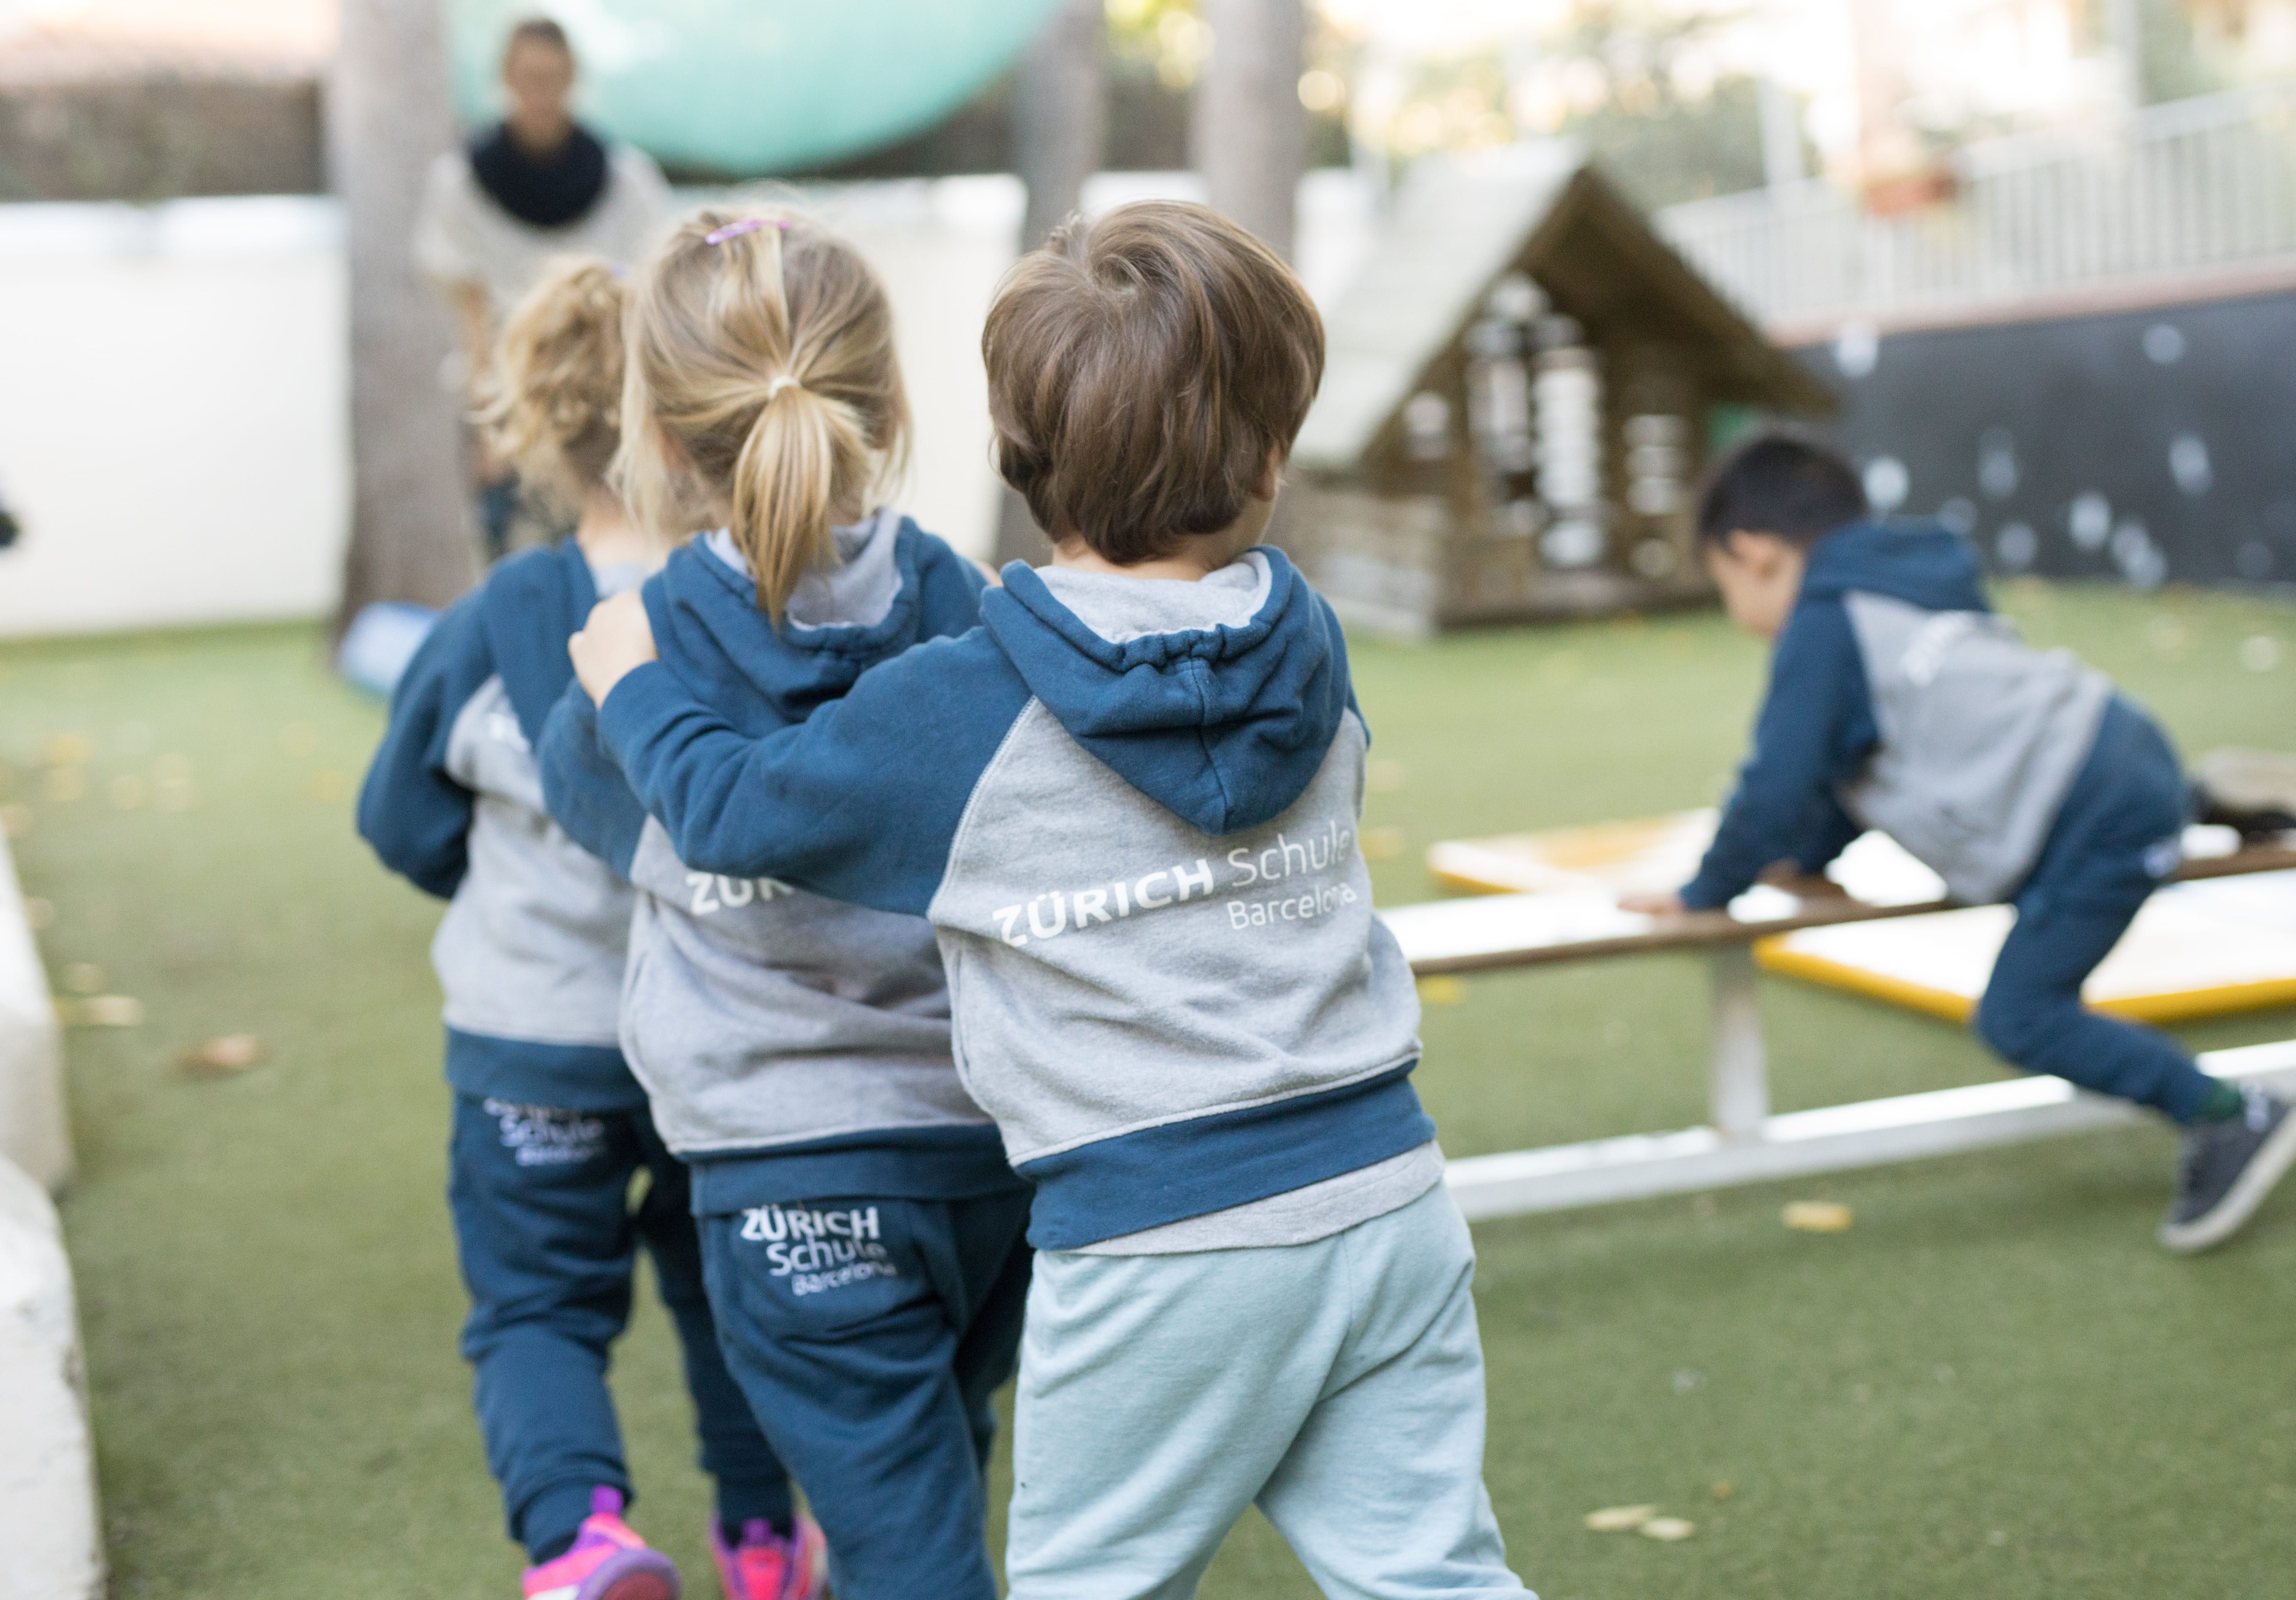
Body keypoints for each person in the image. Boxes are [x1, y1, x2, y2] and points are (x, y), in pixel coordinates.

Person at [568, 201, 1538, 1600]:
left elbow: (727, 809)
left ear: (1017, 456)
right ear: (1270, 456)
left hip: (1161, 1230)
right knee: (1429, 1572)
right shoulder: (1304, 640)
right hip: (1386, 1196)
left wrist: (631, 679)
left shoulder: (972, 697)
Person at [535, 208, 1033, 1600]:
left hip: (789, 1179)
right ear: (885, 403)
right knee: (931, 1476)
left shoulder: (640, 641)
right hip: (987, 1155)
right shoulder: (971, 603)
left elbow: (595, 817)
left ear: (661, 433)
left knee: (909, 1538)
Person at [356, 256, 822, 1600]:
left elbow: (399, 817)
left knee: (535, 1305)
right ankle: (759, 1537)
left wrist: (491, 888)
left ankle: (581, 1536)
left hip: (530, 1043)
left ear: (533, 430)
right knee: (728, 1296)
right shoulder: (747, 610)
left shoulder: (495, 617)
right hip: (714, 1040)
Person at [1618, 432, 2296, 1254]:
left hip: (2089, 815)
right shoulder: (1906, 580)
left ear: (1754, 553)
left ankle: (2231, 1113)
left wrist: (1705, 891)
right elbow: (1859, 768)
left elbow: (1777, 785)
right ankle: (2196, 796)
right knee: (2120, 809)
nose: (1736, 612)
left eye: (1724, 585)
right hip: (2105, 746)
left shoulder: (1821, 624)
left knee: (2021, 1015)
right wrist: (1808, 859)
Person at [416, 15, 671, 563]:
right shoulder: (461, 184)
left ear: (571, 79)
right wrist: (493, 423)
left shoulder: (625, 179)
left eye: (552, 77)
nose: (541, 93)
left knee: (609, 550)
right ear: (507, 78)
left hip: (603, 395)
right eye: (529, 77)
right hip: (509, 393)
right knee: (509, 555)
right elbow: (472, 305)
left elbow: (646, 297)